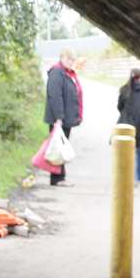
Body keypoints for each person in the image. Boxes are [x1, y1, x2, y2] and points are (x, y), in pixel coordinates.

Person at [42, 49, 83, 187]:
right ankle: (57, 179)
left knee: (61, 148)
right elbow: (55, 97)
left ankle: (59, 177)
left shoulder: (65, 72)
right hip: (59, 119)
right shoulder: (57, 73)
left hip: (65, 118)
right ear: (62, 58)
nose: (71, 62)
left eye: (72, 60)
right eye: (69, 59)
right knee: (58, 148)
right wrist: (59, 118)